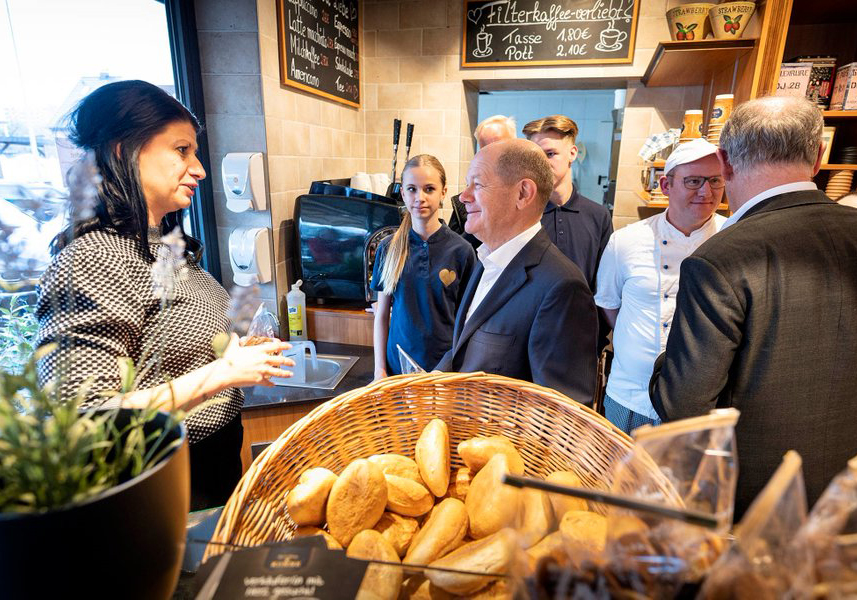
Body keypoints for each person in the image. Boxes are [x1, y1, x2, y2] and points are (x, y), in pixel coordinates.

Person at [35, 80, 293, 510]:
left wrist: (232, 354)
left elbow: (163, 353)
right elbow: (82, 417)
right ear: (124, 150)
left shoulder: (161, 246)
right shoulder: (95, 258)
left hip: (208, 466)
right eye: (181, 150)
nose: (199, 169)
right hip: (157, 482)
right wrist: (224, 372)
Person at [650, 96, 857, 519]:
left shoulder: (721, 258)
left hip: (758, 505)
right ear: (819, 157)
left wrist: (663, 364)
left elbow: (683, 407)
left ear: (724, 163)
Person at [435, 139, 598, 405]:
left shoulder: (562, 288)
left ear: (523, 193)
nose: (463, 196)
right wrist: (430, 383)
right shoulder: (486, 260)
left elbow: (561, 417)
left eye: (477, 184)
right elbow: (461, 351)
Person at [595, 139, 726, 434]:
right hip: (630, 396)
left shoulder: (733, 237)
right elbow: (609, 304)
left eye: (715, 181)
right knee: (619, 478)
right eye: (693, 181)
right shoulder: (626, 240)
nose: (706, 192)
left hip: (700, 407)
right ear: (666, 185)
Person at [372, 154, 476, 378]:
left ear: (443, 192)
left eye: (429, 189)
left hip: (445, 370)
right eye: (411, 189)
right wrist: (379, 369)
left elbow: (467, 321)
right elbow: (381, 315)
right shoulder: (388, 248)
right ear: (402, 193)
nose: (419, 197)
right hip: (397, 370)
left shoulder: (462, 251)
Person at [523, 115, 613, 293]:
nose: (542, 164)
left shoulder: (598, 216)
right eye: (536, 157)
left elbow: (605, 282)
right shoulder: (523, 215)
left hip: (583, 316)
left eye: (550, 154)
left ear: (573, 153)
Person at [448, 115, 517, 249]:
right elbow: (454, 249)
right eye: (485, 147)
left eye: (498, 145)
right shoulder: (465, 202)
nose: (492, 152)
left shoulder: (529, 195)